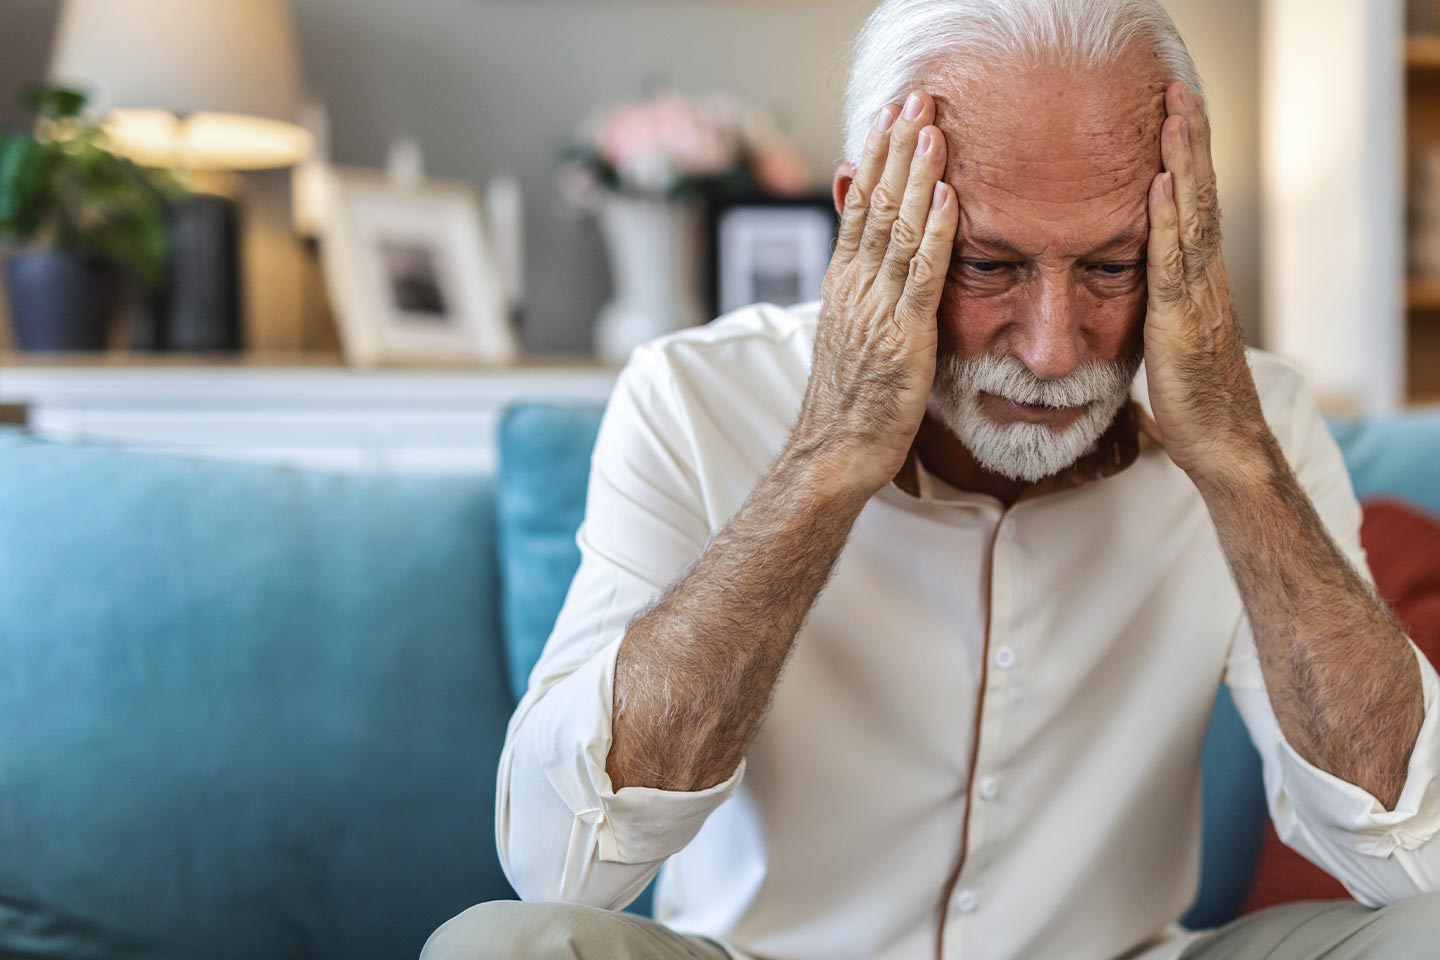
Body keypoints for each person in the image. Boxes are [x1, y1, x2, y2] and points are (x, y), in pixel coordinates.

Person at [424, 1, 1440, 957]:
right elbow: (561, 865)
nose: (1053, 349)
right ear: (868, 218)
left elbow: (1416, 859)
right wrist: (827, 460)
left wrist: (1230, 453)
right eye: (989, 264)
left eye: (1110, 267)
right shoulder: (693, 397)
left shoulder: (1255, 420)